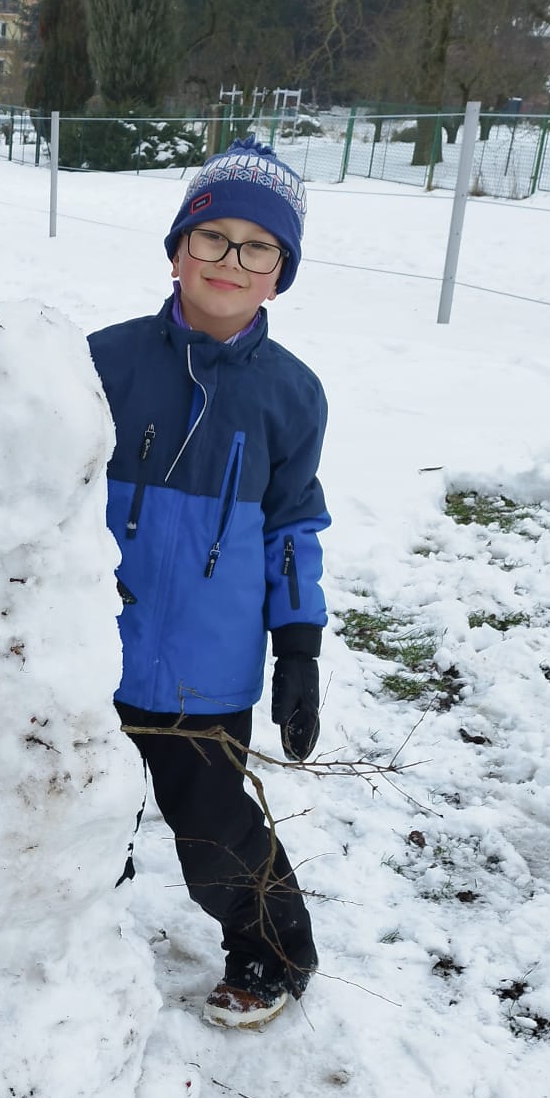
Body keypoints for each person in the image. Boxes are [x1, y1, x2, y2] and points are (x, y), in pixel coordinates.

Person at [88, 139, 330, 1029]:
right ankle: (71, 950)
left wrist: (297, 649)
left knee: (215, 830)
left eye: (258, 247)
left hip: (208, 670)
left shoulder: (291, 394)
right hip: (91, 651)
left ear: (280, 274)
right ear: (177, 251)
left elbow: (293, 526)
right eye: (212, 237)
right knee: (79, 817)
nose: (231, 260)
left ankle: (274, 952)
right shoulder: (103, 361)